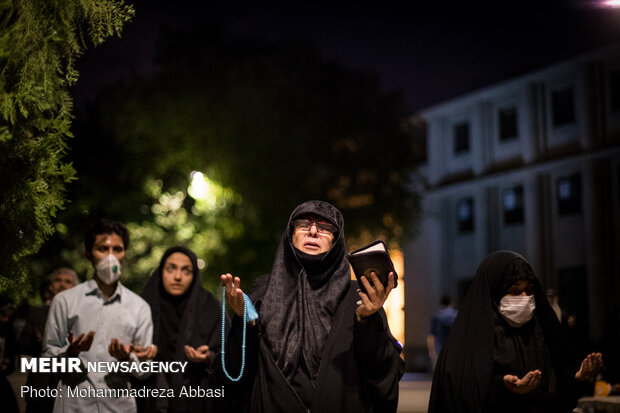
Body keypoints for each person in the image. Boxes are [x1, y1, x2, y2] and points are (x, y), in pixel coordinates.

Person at [221, 200, 404, 413]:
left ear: (336, 241)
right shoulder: (263, 291)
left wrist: (368, 321)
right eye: (304, 224)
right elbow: (236, 373)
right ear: (291, 235)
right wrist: (246, 322)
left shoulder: (360, 297)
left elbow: (382, 374)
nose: (314, 231)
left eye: (326, 227)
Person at [428, 250, 603, 413]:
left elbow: (558, 382)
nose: (524, 298)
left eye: (529, 290)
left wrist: (577, 377)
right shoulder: (472, 341)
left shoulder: (541, 332)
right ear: (494, 293)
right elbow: (460, 392)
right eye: (514, 291)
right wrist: (503, 387)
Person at [43, 219, 157, 413]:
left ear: (124, 255)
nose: (111, 257)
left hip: (118, 407)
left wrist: (127, 357)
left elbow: (145, 370)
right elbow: (46, 360)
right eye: (103, 249)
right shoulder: (65, 301)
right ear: (89, 255)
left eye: (118, 249)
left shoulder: (139, 307)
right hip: (73, 406)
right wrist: (70, 354)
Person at [138, 246, 228, 412]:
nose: (178, 277)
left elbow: (229, 353)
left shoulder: (210, 308)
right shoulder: (143, 307)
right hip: (151, 400)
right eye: (171, 269)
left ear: (194, 276)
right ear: (161, 272)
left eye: (186, 271)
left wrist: (208, 357)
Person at [21, 268, 78, 413]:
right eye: (58, 280)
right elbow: (22, 345)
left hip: (72, 386)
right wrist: (38, 343)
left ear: (75, 287)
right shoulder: (37, 314)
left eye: (68, 281)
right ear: (51, 285)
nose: (62, 284)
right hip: (41, 385)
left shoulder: (82, 314)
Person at [426, 295, 457, 371]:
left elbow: (431, 334)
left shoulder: (436, 315)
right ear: (451, 303)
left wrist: (431, 350)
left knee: (440, 370)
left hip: (439, 347)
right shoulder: (456, 314)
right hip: (454, 347)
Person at [0, 296, 18, 413]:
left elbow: (10, 349)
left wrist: (6, 361)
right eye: (3, 315)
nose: (6, 319)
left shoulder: (8, 330)